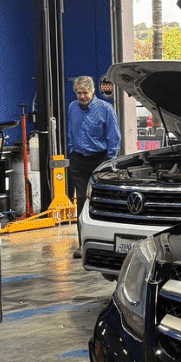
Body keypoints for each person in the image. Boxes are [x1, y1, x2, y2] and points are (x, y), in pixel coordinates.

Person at [66, 75, 120, 258]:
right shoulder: (72, 108)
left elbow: (114, 138)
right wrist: (72, 151)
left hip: (100, 160)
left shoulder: (106, 109)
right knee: (82, 201)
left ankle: (108, 243)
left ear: (93, 91)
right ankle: (83, 245)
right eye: (78, 93)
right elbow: (71, 133)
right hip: (79, 160)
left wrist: (109, 162)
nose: (82, 97)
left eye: (85, 93)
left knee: (102, 200)